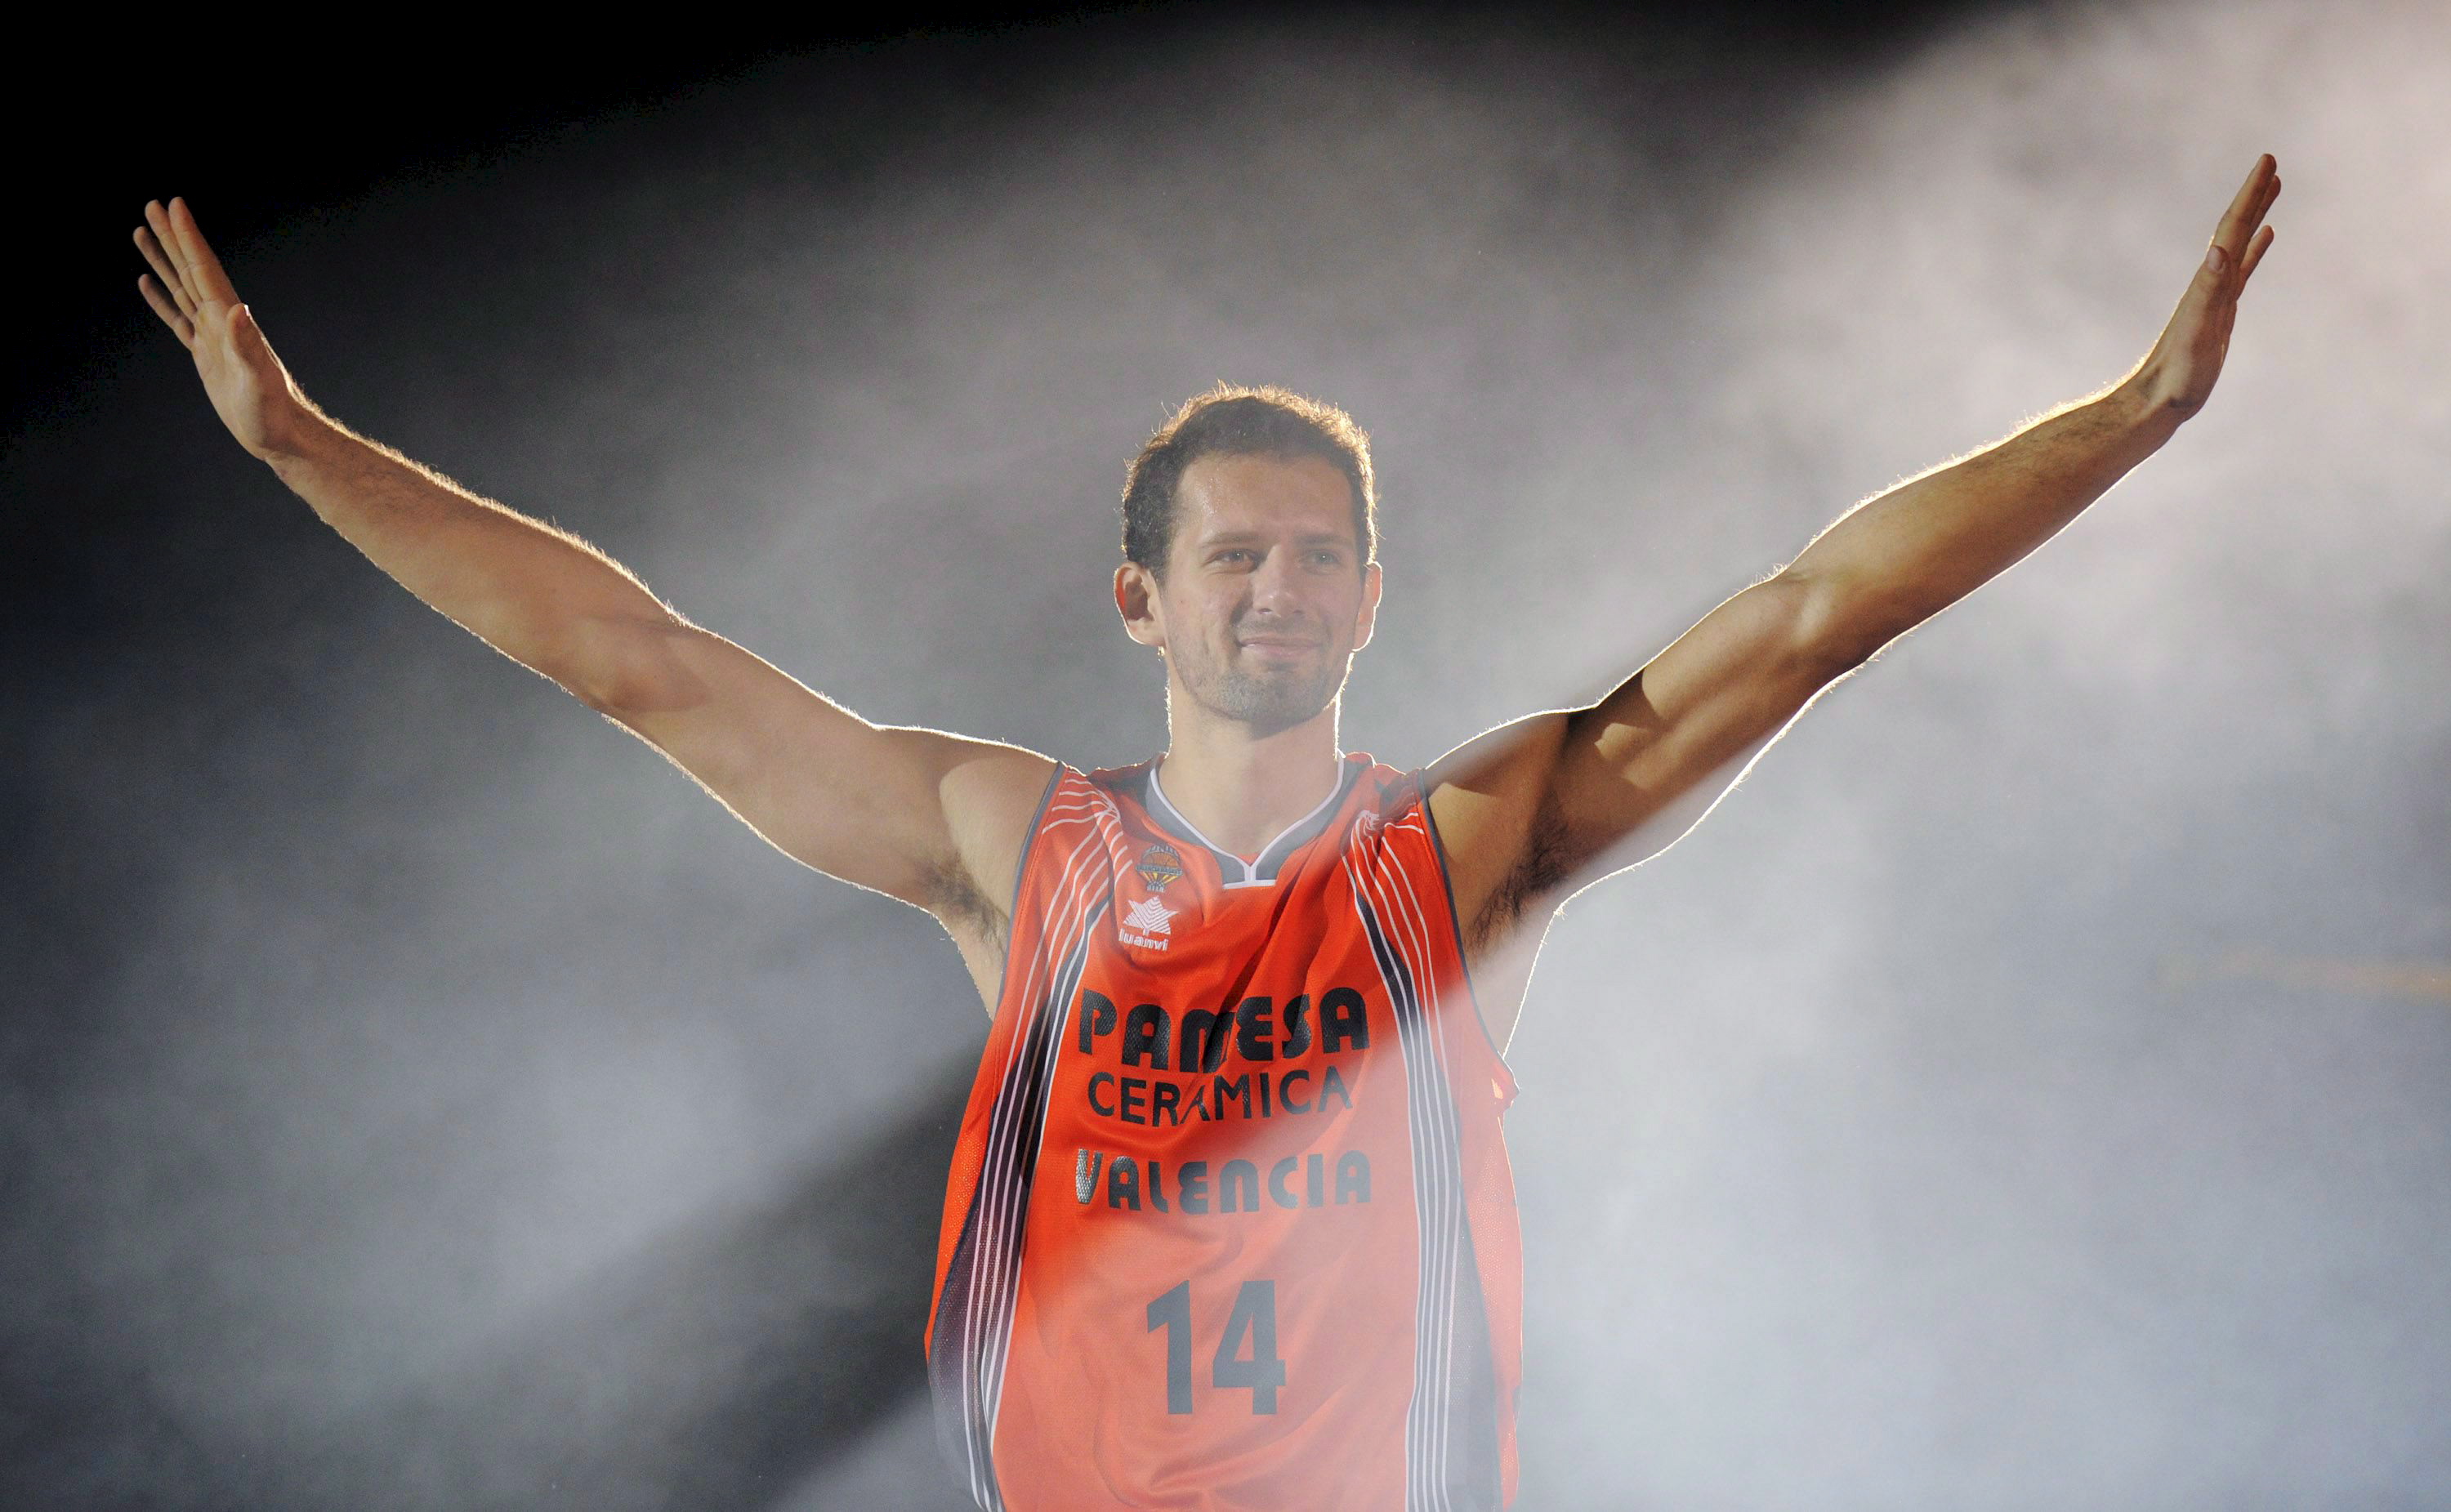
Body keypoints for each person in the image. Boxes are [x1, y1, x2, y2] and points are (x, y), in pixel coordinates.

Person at [132, 154, 2279, 1510]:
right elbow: (644, 660)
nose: (1281, 587)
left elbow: (1813, 617)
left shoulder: (1462, 845)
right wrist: (304, 443)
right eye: (1233, 554)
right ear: (1140, 597)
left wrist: (2132, 413)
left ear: (1369, 593)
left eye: (1321, 555)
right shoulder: (1012, 844)